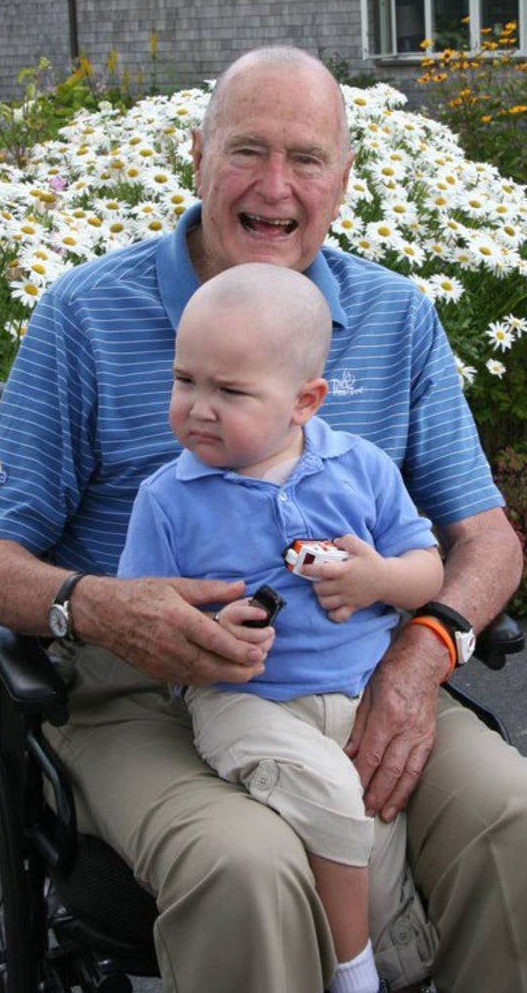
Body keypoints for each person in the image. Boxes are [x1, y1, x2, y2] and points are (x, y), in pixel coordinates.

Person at [0, 45, 527, 992]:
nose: (275, 187)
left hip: (357, 671)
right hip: (144, 694)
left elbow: (487, 537)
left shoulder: (394, 317)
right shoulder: (86, 316)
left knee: (525, 821)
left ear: (343, 179)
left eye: (306, 159)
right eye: (246, 151)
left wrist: (425, 651)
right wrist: (103, 606)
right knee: (246, 868)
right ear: (196, 156)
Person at [119, 263, 447, 993]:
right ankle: (351, 976)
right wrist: (207, 631)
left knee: (377, 839)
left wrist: (377, 580)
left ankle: (389, 964)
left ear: (305, 401)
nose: (198, 408)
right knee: (331, 795)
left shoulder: (358, 468)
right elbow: (140, 614)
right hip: (244, 701)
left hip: (360, 696)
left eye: (230, 391)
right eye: (185, 381)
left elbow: (427, 569)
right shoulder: (169, 498)